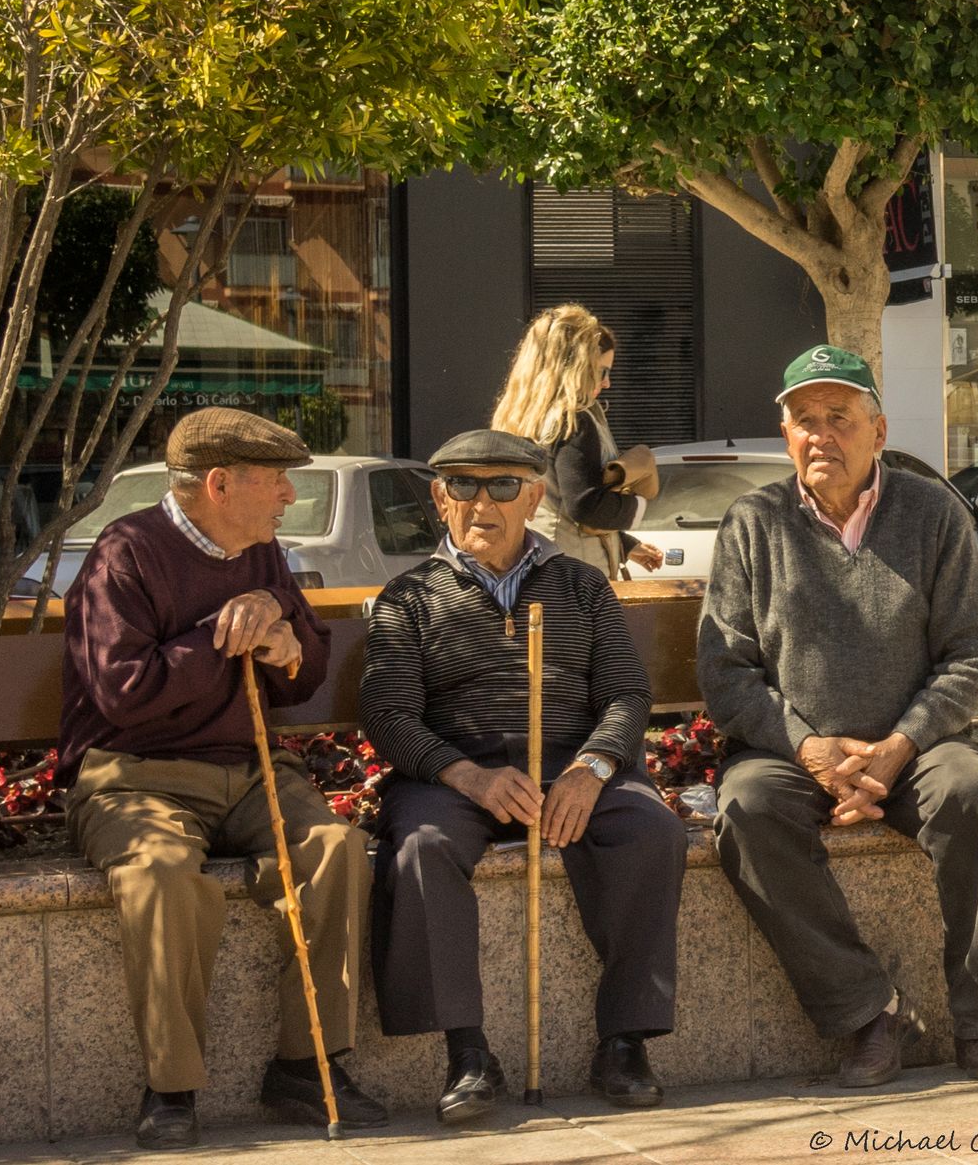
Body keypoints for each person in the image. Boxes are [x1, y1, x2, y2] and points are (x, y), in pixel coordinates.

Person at [57, 408, 387, 1150]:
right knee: (162, 873)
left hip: (249, 768)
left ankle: (309, 1065)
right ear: (218, 485)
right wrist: (222, 635)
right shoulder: (125, 554)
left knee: (336, 850)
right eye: (275, 481)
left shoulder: (259, 552)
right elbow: (125, 693)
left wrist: (280, 633)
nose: (287, 496)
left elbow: (307, 668)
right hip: (135, 777)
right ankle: (171, 1086)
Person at [697, 345, 978, 1088]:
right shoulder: (754, 522)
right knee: (745, 809)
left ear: (878, 431)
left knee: (971, 793)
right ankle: (867, 1012)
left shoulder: (932, 513)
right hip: (791, 753)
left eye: (839, 418)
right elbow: (727, 673)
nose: (821, 435)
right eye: (804, 420)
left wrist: (900, 745)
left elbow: (970, 657)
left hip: (918, 747)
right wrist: (810, 749)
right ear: (787, 436)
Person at [361, 428, 686, 1124]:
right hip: (455, 772)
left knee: (651, 831)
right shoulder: (408, 597)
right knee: (420, 846)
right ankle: (467, 1053)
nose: (483, 503)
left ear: (534, 497)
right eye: (464, 486)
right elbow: (388, 714)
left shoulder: (582, 584)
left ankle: (625, 1041)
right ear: (440, 499)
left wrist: (591, 769)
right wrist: (466, 776)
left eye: (503, 486)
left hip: (571, 760)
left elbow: (627, 694)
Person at [491, 304, 664, 579]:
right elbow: (584, 505)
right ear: (575, 368)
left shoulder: (521, 417)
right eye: (602, 371)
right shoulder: (573, 419)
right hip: (572, 574)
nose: (607, 383)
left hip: (528, 562)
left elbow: (558, 504)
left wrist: (625, 545)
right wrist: (639, 505)